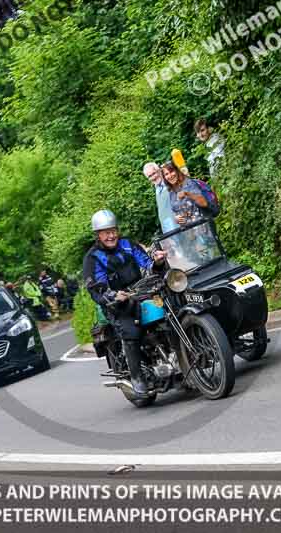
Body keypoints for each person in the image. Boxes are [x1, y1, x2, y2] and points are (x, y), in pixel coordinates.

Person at [82, 210, 167, 396]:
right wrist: (113, 296)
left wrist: (157, 262)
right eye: (106, 232)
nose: (111, 235)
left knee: (169, 311)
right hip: (117, 303)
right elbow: (95, 286)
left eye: (113, 230)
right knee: (131, 331)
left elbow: (146, 263)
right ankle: (137, 378)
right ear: (98, 235)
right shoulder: (93, 257)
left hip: (142, 291)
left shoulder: (128, 244)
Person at [162, 160, 210, 226]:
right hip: (188, 232)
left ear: (177, 171)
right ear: (164, 178)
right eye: (166, 174)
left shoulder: (189, 183)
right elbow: (176, 210)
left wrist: (187, 194)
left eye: (171, 171)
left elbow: (204, 203)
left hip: (203, 226)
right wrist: (176, 219)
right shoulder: (171, 192)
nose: (170, 176)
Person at [144, 162, 178, 234]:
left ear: (159, 171)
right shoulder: (157, 188)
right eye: (149, 176)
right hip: (168, 228)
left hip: (180, 223)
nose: (153, 177)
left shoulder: (170, 182)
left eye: (154, 173)